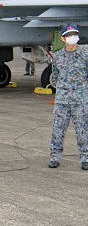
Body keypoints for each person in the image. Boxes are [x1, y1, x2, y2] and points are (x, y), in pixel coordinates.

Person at [48, 24, 88, 169]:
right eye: (69, 35)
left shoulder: (85, 55)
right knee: (58, 129)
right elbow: (56, 75)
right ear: (63, 38)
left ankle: (85, 158)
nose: (73, 37)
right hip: (62, 100)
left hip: (80, 100)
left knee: (83, 130)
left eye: (75, 34)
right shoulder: (57, 57)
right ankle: (55, 157)